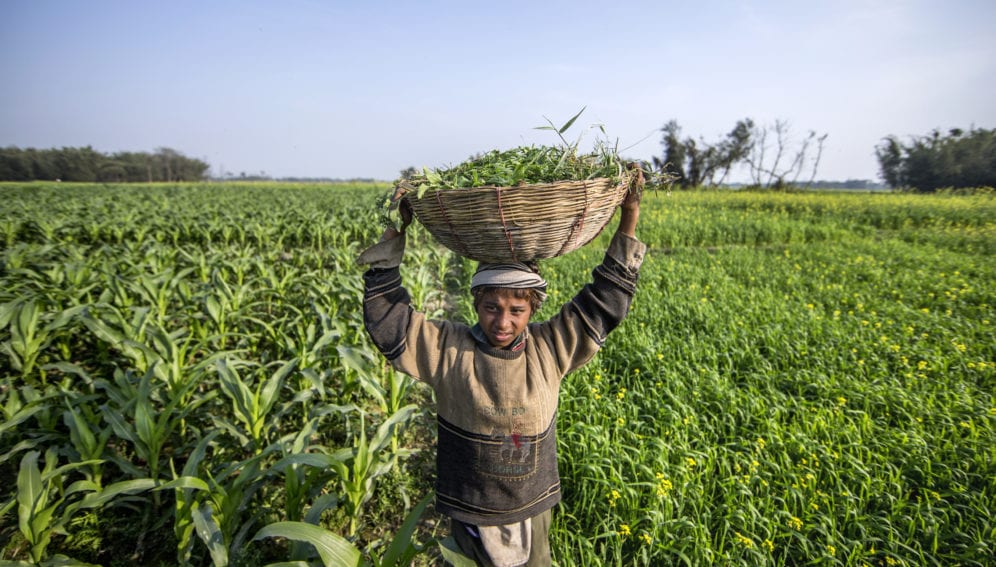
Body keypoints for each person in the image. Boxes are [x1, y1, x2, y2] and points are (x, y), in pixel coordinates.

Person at [357, 183, 645, 567]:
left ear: (532, 309)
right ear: (476, 302)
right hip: (471, 510)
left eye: (516, 310)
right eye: (491, 307)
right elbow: (389, 321)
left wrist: (630, 215)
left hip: (533, 507)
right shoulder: (448, 350)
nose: (503, 322)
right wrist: (395, 232)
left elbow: (605, 300)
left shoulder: (550, 347)